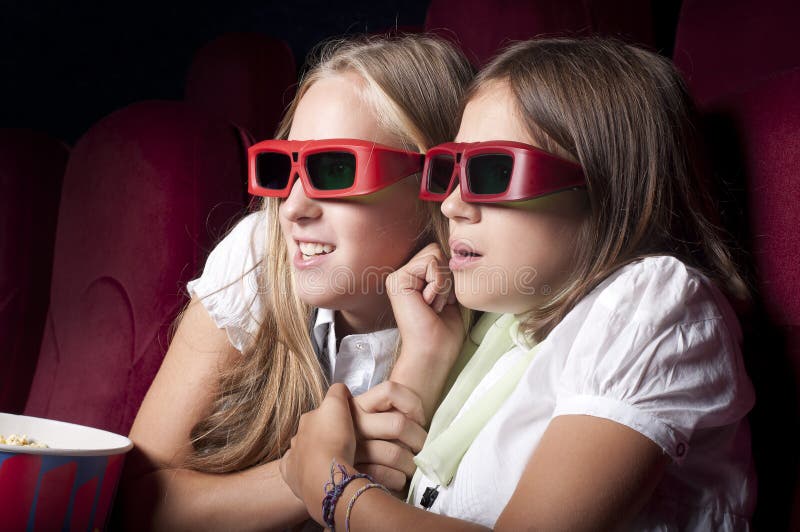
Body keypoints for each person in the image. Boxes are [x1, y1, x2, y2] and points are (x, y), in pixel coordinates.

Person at [280, 37, 756, 531]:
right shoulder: (502, 324)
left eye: (492, 172)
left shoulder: (652, 303)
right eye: (449, 171)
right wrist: (421, 363)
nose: (451, 206)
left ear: (609, 186)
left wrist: (331, 488)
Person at [118, 34, 473, 530]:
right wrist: (304, 475)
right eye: (282, 168)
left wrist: (419, 363)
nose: (293, 208)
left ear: (434, 186)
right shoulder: (261, 252)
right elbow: (136, 501)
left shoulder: (495, 321)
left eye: (334, 169)